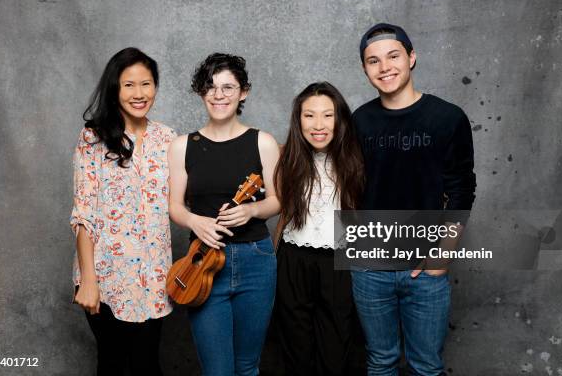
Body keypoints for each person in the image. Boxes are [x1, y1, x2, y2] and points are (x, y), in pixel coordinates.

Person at [351, 23, 476, 375]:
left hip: (425, 266)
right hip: (370, 265)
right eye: (373, 61)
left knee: (426, 366)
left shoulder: (447, 118)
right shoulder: (360, 121)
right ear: (365, 69)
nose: (384, 67)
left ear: (412, 58)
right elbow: (345, 184)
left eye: (393, 56)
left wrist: (444, 252)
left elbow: (462, 188)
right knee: (380, 361)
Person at [168, 53, 281, 376]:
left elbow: (277, 200)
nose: (219, 95)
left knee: (247, 366)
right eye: (211, 87)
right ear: (201, 92)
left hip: (256, 261)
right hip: (201, 264)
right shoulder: (182, 146)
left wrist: (251, 210)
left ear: (243, 92)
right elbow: (175, 206)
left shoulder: (263, 142)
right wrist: (194, 221)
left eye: (228, 87)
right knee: (217, 371)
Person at [70, 47, 176, 375]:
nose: (139, 93)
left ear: (155, 87)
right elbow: (83, 213)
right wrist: (88, 280)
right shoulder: (93, 138)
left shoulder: (169, 139)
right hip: (104, 278)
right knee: (113, 364)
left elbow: (184, 200)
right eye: (128, 85)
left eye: (146, 84)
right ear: (115, 88)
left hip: (154, 279)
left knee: (147, 365)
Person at [273, 82, 365, 375]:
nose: (318, 125)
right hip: (292, 258)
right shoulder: (283, 156)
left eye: (328, 115)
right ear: (298, 120)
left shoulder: (357, 159)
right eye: (309, 115)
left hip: (340, 262)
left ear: (340, 120)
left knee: (336, 352)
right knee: (295, 351)